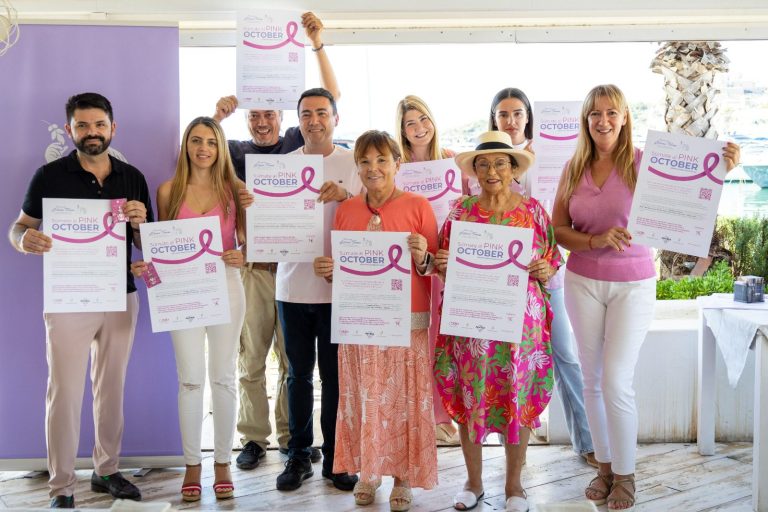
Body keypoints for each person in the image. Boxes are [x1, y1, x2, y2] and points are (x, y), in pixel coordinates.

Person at [551, 84, 741, 511]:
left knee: (615, 380)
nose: (603, 121)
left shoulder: (644, 163)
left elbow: (687, 199)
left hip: (633, 284)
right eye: (595, 113)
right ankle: (604, 468)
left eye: (611, 113)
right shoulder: (573, 167)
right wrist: (594, 239)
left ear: (624, 118)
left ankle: (626, 475)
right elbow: (558, 229)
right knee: (591, 380)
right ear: (586, 119)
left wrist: (721, 171)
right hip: (581, 282)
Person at [8, 92, 150, 509]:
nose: (92, 132)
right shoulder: (48, 176)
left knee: (111, 390)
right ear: (69, 130)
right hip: (68, 297)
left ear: (112, 128)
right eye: (82, 125)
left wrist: (140, 225)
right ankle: (62, 487)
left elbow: (146, 245)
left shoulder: (132, 177)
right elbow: (18, 228)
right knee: (65, 393)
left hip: (120, 296)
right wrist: (23, 241)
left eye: (99, 124)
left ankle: (107, 470)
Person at [211, 11, 340, 470]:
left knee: (293, 365)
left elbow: (330, 100)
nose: (262, 121)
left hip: (293, 271)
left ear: (283, 118)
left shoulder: (292, 144)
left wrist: (316, 44)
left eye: (269, 114)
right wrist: (217, 115)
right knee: (250, 359)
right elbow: (197, 145)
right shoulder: (233, 152)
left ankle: (291, 439)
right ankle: (253, 439)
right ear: (246, 119)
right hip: (252, 270)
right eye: (255, 115)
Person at [434, 131, 561, 512]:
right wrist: (443, 264)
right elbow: (443, 261)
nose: (492, 172)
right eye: (484, 165)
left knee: (517, 398)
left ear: (513, 169)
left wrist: (545, 267)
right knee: (471, 396)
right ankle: (473, 482)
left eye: (500, 164)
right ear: (474, 171)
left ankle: (514, 486)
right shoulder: (460, 212)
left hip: (520, 328)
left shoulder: (534, 211)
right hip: (472, 324)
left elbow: (553, 257)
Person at [314, 130, 439, 511]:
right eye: (365, 161)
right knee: (365, 396)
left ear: (397, 164)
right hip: (360, 320)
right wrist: (329, 271)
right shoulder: (347, 210)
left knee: (403, 401)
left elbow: (434, 266)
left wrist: (422, 254)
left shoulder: (418, 205)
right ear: (357, 167)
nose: (374, 168)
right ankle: (369, 472)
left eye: (382, 160)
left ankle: (403, 477)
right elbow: (342, 270)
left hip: (407, 319)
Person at [131, 117, 249, 502]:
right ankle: (192, 465)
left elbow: (250, 242)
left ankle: (223, 463)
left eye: (211, 142)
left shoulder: (235, 190)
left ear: (220, 148)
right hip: (182, 290)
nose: (203, 148)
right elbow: (159, 248)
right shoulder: (168, 191)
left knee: (224, 377)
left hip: (226, 285)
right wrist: (148, 272)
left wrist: (243, 254)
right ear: (186, 146)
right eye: (196, 141)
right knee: (191, 380)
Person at [487, 88, 596, 467]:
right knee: (504, 362)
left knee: (566, 355)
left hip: (547, 274)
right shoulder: (488, 163)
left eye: (518, 113)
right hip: (502, 282)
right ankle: (508, 450)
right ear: (494, 119)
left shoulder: (550, 156)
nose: (511, 121)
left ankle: (587, 442)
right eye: (503, 114)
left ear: (528, 117)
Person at [275, 87, 362, 492]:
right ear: (298, 121)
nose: (314, 121)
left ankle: (336, 458)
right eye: (306, 114)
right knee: (297, 376)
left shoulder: (353, 162)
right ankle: (298, 455)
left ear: (335, 119)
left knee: (334, 378)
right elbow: (265, 222)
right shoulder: (282, 166)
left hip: (338, 291)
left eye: (322, 113)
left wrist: (347, 196)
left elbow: (376, 212)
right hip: (292, 287)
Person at [394, 94, 460, 446]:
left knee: (446, 339)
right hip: (412, 263)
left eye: (423, 119)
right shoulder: (398, 167)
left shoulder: (451, 160)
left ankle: (446, 412)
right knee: (421, 339)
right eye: (410, 123)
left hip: (448, 262)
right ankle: (427, 416)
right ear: (402, 131)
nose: (419, 128)